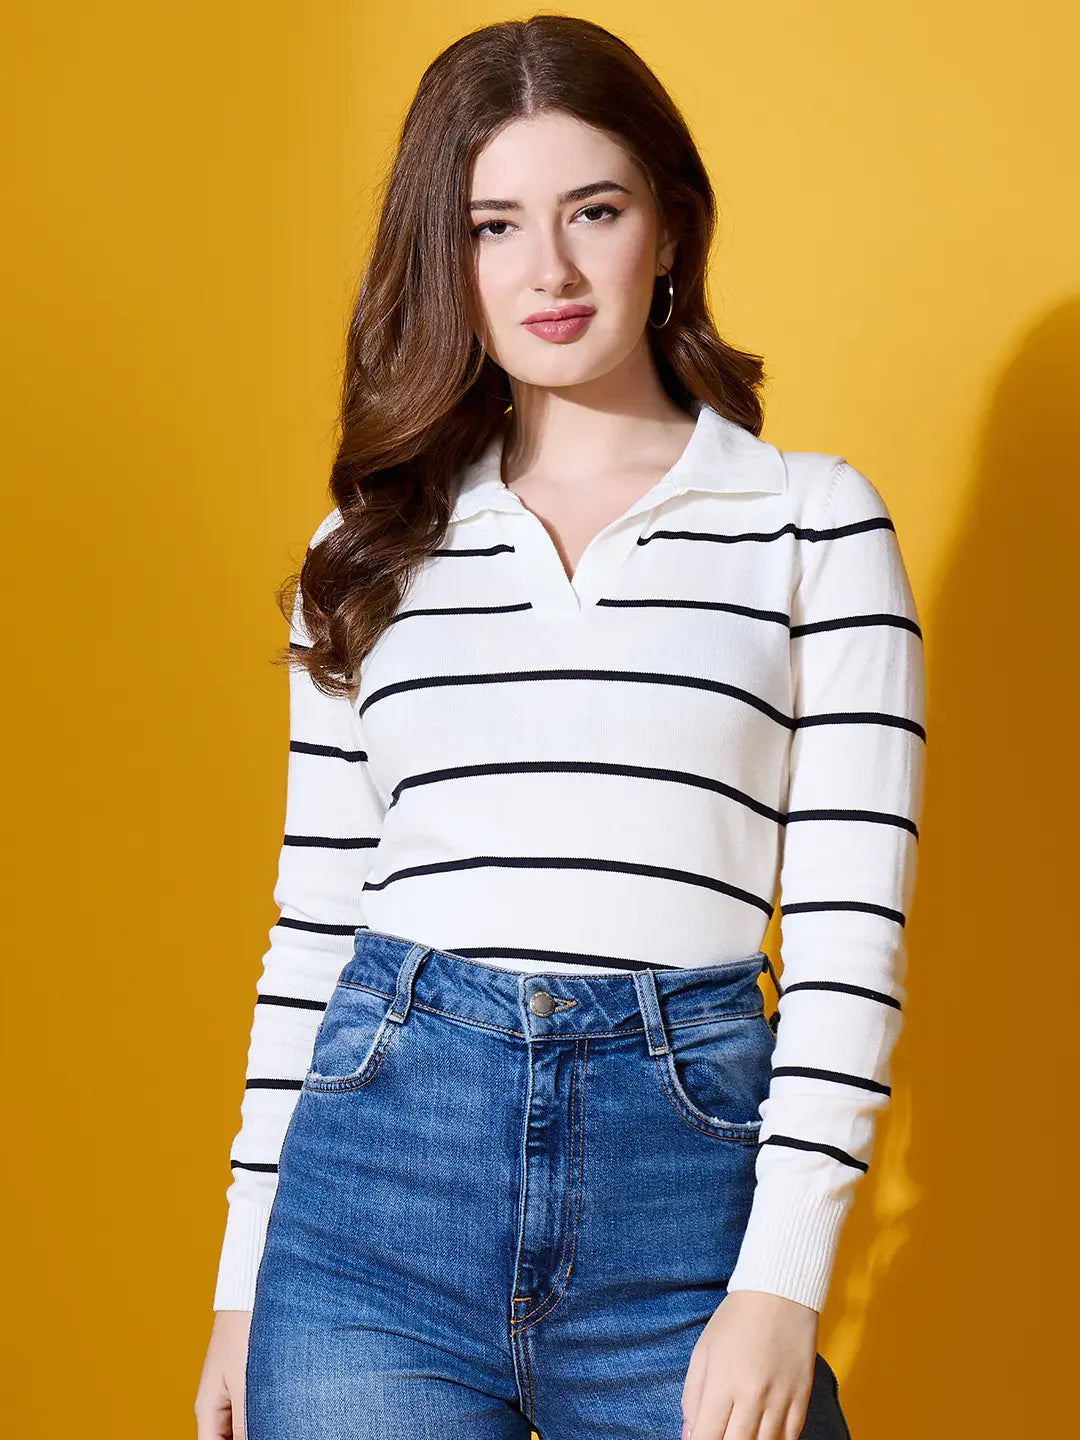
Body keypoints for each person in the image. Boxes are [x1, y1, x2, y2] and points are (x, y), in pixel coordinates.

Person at [195, 14, 926, 1440]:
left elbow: (847, 940)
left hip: (683, 1209)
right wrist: (241, 1280)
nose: (549, 269)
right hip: (368, 1215)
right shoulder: (366, 548)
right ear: (445, 256)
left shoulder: (809, 525)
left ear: (668, 228)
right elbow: (312, 933)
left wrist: (779, 1285)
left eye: (594, 209)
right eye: (493, 224)